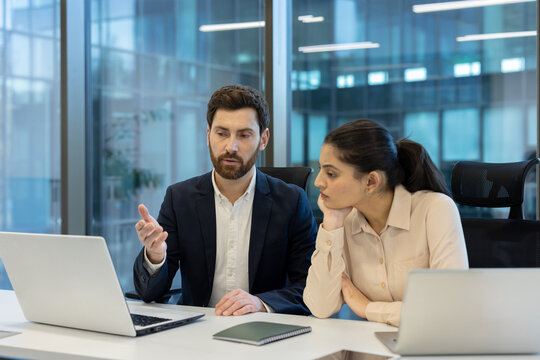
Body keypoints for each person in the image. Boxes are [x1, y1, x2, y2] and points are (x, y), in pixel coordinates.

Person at [133, 84, 317, 316]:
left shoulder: (292, 201)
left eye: (244, 135)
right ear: (208, 135)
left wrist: (260, 303)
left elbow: (310, 289)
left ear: (263, 139)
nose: (231, 147)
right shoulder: (180, 199)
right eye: (222, 133)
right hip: (197, 336)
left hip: (266, 332)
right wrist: (155, 256)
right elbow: (148, 293)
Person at [303, 119, 468, 326]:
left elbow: (452, 309)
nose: (318, 181)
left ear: (371, 182)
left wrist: (367, 308)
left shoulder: (434, 209)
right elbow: (320, 308)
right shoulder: (343, 223)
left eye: (331, 173)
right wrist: (332, 224)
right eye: (320, 169)